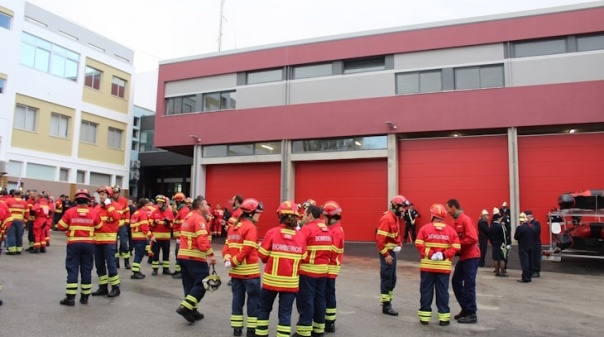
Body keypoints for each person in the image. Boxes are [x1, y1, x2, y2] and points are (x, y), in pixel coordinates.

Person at [255, 201, 307, 337]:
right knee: (285, 312)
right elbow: (304, 258)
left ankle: (260, 335)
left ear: (280, 216)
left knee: (264, 309)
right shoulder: (301, 236)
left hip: (271, 282)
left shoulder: (272, 233)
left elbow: (263, 256)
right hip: (290, 283)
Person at [415, 204, 461, 326]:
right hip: (443, 268)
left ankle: (424, 317)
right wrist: (444, 255)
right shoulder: (450, 230)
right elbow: (456, 246)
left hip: (427, 267)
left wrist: (430, 254)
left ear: (432, 215)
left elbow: (419, 244)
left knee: (426, 291)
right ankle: (444, 318)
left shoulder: (425, 229)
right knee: (443, 292)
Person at [223, 198, 263, 337]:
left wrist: (228, 259)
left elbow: (226, 246)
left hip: (236, 274)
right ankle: (251, 330)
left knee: (237, 300)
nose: (259, 215)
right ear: (251, 214)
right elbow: (247, 249)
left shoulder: (234, 226)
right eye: (258, 213)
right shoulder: (250, 227)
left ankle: (237, 329)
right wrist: (234, 261)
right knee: (253, 301)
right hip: (250, 273)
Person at [57, 189, 102, 306]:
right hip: (89, 245)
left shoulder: (70, 212)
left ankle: (70, 298)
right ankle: (85, 297)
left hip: (74, 245)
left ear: (76, 200)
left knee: (73, 269)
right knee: (86, 270)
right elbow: (99, 225)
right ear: (88, 200)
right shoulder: (93, 212)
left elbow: (61, 226)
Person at [294, 204, 333, 337]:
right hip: (323, 272)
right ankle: (318, 329)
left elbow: (298, 248)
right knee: (320, 300)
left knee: (306, 300)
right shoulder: (326, 229)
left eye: (304, 214)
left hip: (308, 272)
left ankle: (304, 331)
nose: (302, 217)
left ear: (310, 216)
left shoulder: (307, 229)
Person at [175, 198, 216, 323]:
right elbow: (202, 240)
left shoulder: (188, 217)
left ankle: (192, 310)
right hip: (194, 257)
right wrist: (211, 255)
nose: (208, 208)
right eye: (205, 205)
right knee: (203, 283)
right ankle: (186, 307)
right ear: (200, 207)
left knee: (189, 285)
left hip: (183, 256)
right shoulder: (198, 219)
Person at [446, 198, 480, 324]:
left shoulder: (465, 220)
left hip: (471, 257)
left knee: (469, 284)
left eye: (448, 208)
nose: (447, 211)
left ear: (453, 207)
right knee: (456, 282)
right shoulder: (456, 221)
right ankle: (466, 309)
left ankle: (471, 313)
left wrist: (456, 245)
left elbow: (472, 238)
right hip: (464, 257)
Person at [375, 195, 408, 316]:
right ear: (395, 205)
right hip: (387, 253)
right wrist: (386, 255)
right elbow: (380, 240)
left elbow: (396, 234)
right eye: (402, 207)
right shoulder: (387, 219)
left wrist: (398, 244)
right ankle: (386, 305)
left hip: (391, 252)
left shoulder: (395, 218)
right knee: (387, 278)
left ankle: (388, 301)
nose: (403, 210)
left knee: (392, 279)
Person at [91, 186, 122, 298]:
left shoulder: (116, 206)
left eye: (103, 195)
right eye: (100, 195)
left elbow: (117, 217)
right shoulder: (97, 207)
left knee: (111, 264)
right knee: (99, 265)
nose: (101, 197)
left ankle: (115, 287)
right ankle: (103, 287)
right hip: (97, 240)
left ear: (109, 196)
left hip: (109, 240)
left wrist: (108, 205)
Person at [323, 201, 344, 333]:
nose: (323, 219)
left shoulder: (335, 231)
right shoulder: (334, 228)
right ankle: (329, 321)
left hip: (330, 267)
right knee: (328, 294)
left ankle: (330, 322)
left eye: (325, 216)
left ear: (331, 216)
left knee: (328, 295)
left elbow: (331, 250)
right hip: (330, 267)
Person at [129, 198, 155, 279]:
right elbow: (144, 227)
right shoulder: (143, 213)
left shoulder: (135, 213)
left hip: (134, 236)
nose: (148, 207)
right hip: (141, 237)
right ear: (144, 205)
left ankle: (136, 270)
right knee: (139, 255)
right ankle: (135, 272)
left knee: (137, 254)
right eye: (147, 205)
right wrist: (151, 236)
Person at [150, 195, 174, 275]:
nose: (158, 205)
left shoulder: (169, 212)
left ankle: (166, 269)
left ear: (164, 204)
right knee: (155, 254)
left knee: (166, 254)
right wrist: (154, 222)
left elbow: (172, 225)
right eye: (158, 203)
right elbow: (150, 224)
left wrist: (167, 224)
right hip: (156, 237)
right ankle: (155, 269)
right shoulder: (154, 212)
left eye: (160, 203)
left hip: (166, 238)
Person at [172, 192, 190, 279]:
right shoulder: (182, 210)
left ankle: (181, 272)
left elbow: (183, 225)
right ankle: (178, 270)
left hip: (181, 237)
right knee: (177, 253)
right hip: (179, 236)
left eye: (176, 201)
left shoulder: (184, 211)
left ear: (179, 202)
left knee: (179, 254)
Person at [113, 186, 131, 270]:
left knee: (124, 243)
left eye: (116, 193)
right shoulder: (109, 201)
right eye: (114, 193)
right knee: (114, 244)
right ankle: (116, 262)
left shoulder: (124, 200)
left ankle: (126, 262)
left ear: (119, 193)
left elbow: (127, 211)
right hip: (113, 224)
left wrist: (127, 220)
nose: (115, 194)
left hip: (122, 223)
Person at [5, 190, 28, 255]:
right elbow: (27, 213)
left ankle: (12, 250)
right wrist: (25, 222)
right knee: (19, 235)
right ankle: (18, 249)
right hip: (20, 221)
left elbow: (4, 210)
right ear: (20, 195)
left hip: (11, 220)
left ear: (14, 194)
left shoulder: (8, 201)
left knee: (11, 235)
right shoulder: (24, 203)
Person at [514, 212, 535, 283]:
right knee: (530, 261)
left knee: (525, 262)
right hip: (531, 246)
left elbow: (516, 237)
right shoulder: (532, 227)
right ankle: (529, 275)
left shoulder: (520, 228)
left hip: (523, 247)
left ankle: (525, 277)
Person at [488, 211, 508, 277]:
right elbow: (504, 236)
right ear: (498, 219)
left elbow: (489, 236)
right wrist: (505, 243)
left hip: (494, 243)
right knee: (502, 258)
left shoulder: (491, 227)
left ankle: (497, 272)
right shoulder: (501, 226)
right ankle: (502, 272)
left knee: (495, 258)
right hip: (501, 243)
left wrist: (492, 242)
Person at [525, 210, 542, 278]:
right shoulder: (529, 224)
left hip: (535, 242)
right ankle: (531, 270)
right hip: (530, 243)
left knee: (536, 257)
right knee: (530, 257)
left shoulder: (536, 223)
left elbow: (535, 232)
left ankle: (536, 271)